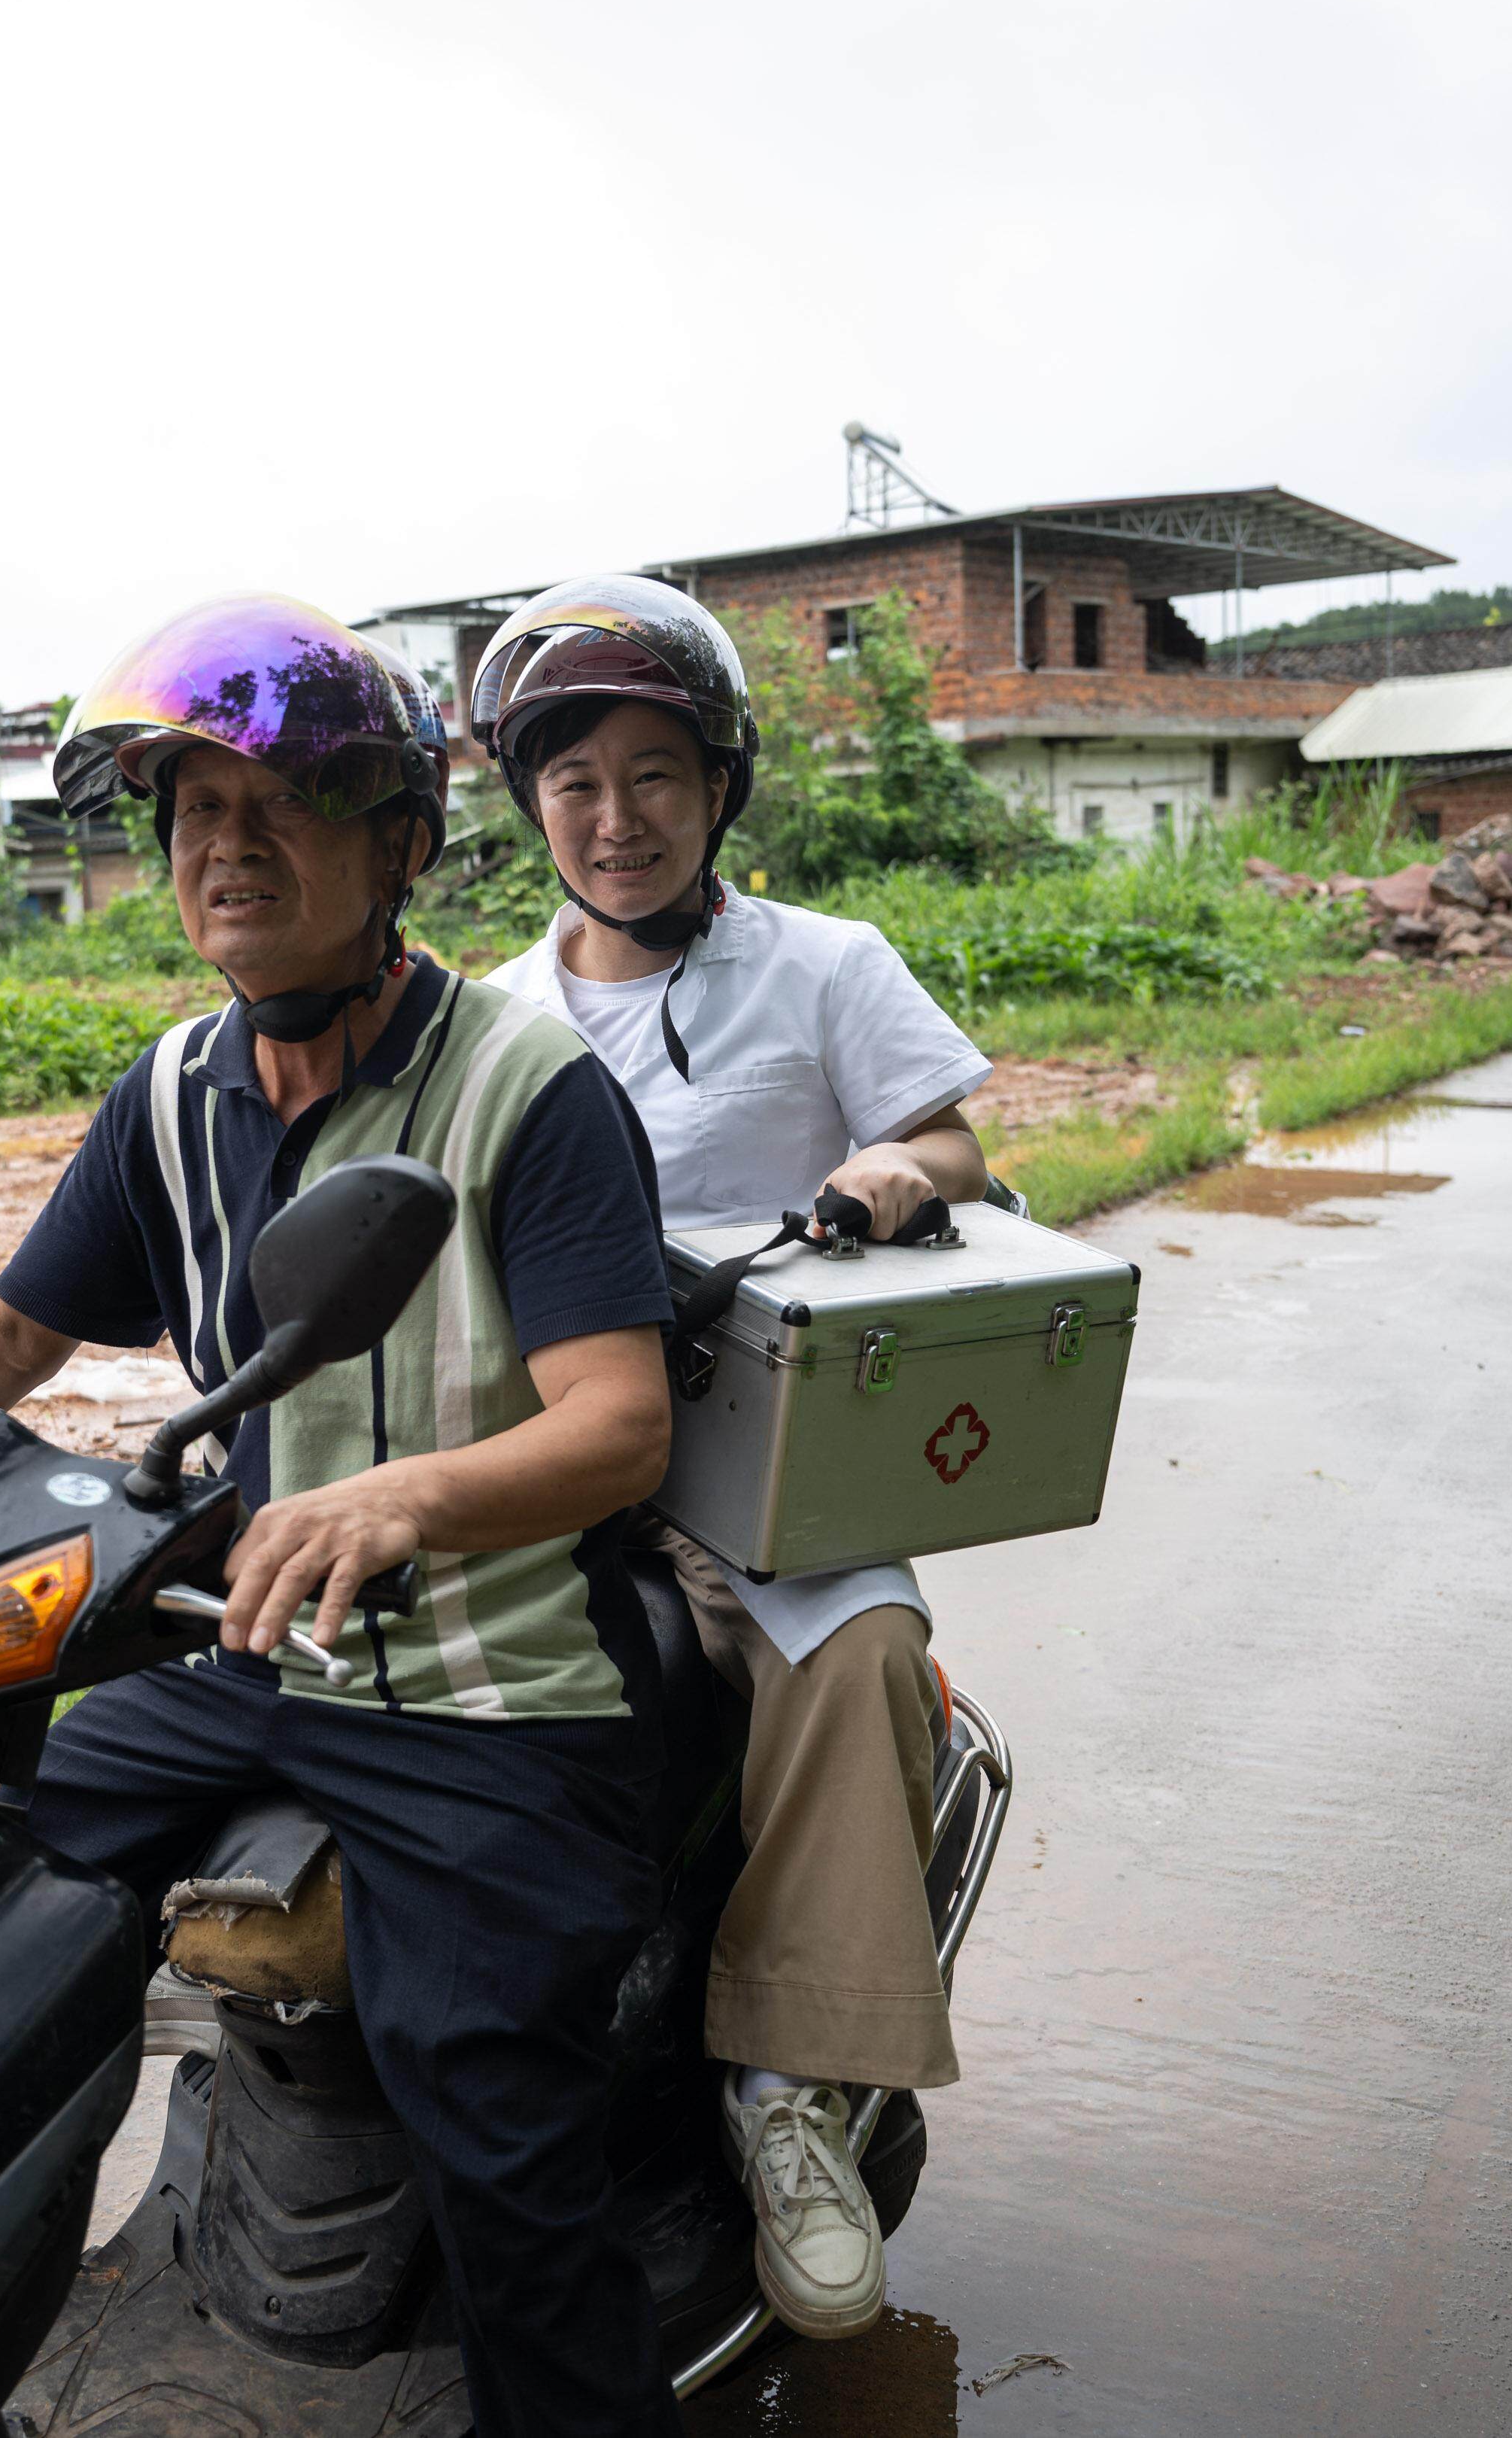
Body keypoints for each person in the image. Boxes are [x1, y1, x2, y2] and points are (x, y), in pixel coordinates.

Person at [0, 592, 687, 2438]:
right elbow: (11, 1329)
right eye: (189, 813)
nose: (225, 850)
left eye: (277, 808)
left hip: (495, 1684)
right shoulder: (170, 1089)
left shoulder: (524, 1086)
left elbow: (618, 1425)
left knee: (484, 2101)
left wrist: (400, 1495)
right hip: (264, 1653)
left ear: (397, 843)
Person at [477, 574, 993, 2342]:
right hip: (549, 1420)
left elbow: (952, 1137)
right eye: (574, 786)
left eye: (652, 775)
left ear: (717, 790)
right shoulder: (485, 1014)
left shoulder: (824, 963)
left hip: (763, 1432)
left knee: (862, 1649)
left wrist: (895, 1178)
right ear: (530, 807)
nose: (613, 819)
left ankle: (787, 2085)